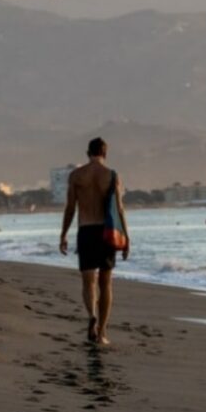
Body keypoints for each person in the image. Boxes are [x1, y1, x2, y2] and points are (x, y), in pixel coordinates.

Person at [59, 137, 130, 345]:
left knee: (88, 281)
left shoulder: (76, 176)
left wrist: (63, 234)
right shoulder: (112, 175)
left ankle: (92, 316)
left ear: (87, 153)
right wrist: (126, 237)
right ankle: (102, 333)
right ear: (105, 154)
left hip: (86, 230)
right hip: (106, 232)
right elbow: (119, 209)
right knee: (105, 283)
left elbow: (70, 208)